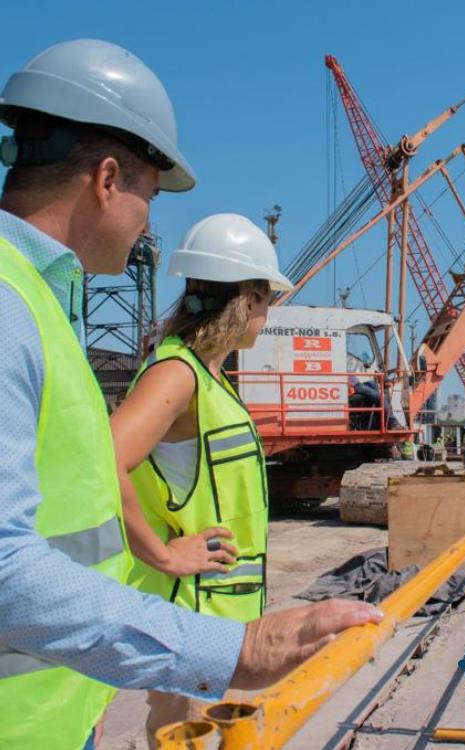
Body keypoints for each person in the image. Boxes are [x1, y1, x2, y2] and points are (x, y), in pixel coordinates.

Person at [0, 40, 381, 750]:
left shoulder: (47, 307)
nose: (150, 220)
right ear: (107, 179)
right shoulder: (18, 306)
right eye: (150, 192)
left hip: (59, 704)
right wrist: (173, 569)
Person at [108, 213, 296, 737]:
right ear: (247, 299)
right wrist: (164, 554)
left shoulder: (210, 376)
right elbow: (105, 461)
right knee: (182, 732)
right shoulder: (177, 373)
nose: (267, 314)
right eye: (267, 300)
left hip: (217, 611)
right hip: (188, 612)